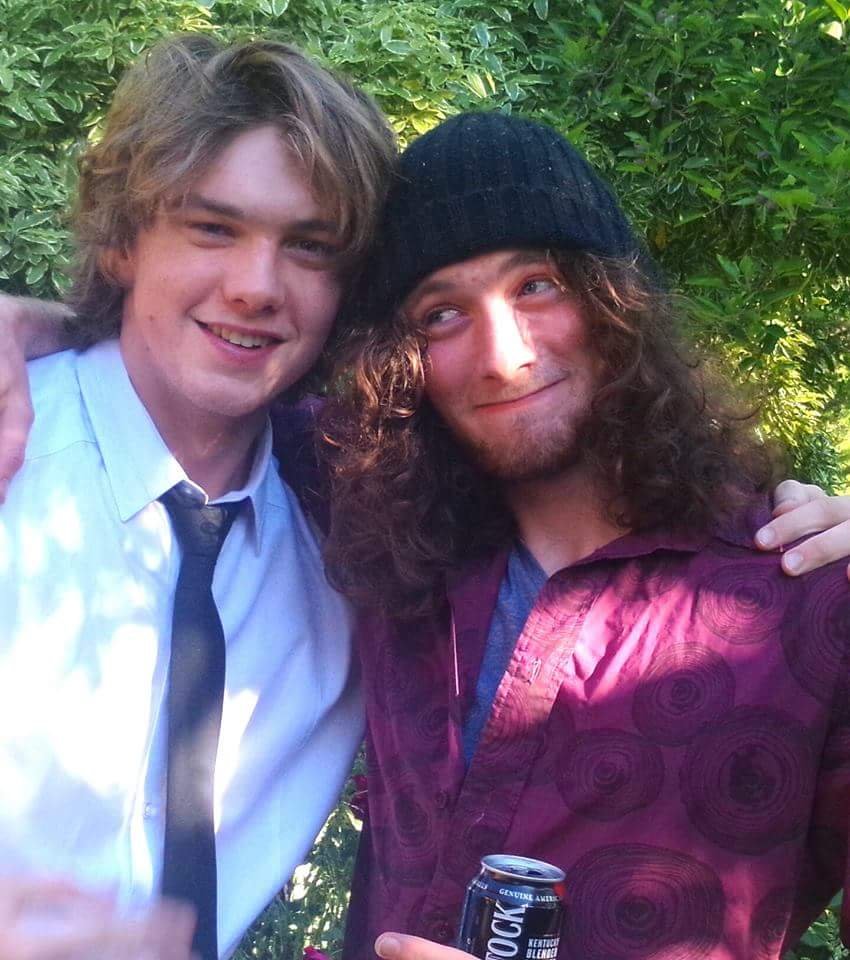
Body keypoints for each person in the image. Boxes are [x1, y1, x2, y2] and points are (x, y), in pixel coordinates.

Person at [314, 112, 850, 960]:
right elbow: (184, 377)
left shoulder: (808, 592)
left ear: (616, 302)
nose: (503, 357)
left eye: (536, 286)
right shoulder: (391, 539)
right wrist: (28, 327)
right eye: (440, 314)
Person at [0, 33, 395, 960]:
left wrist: (781, 524)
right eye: (212, 228)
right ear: (127, 237)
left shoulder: (357, 563)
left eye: (310, 247)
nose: (256, 287)